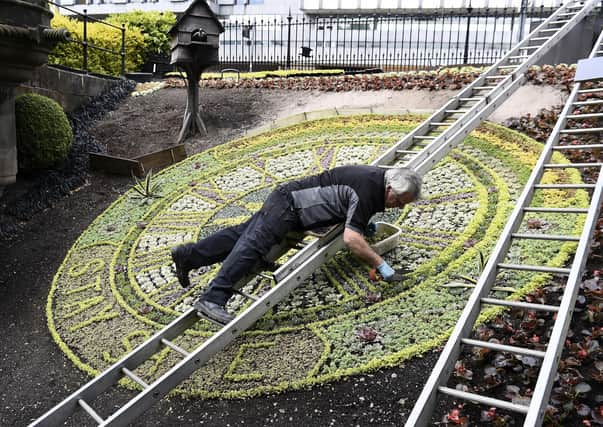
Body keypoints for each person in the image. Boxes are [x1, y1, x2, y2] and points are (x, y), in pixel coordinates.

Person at [171, 165, 422, 324]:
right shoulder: (369, 187)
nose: (398, 206)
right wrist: (381, 265)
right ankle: (213, 298)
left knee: (240, 235)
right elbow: (351, 239)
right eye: (399, 201)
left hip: (290, 203)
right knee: (254, 245)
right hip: (289, 205)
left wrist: (361, 224)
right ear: (390, 187)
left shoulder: (375, 185)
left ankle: (188, 256)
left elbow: (354, 209)